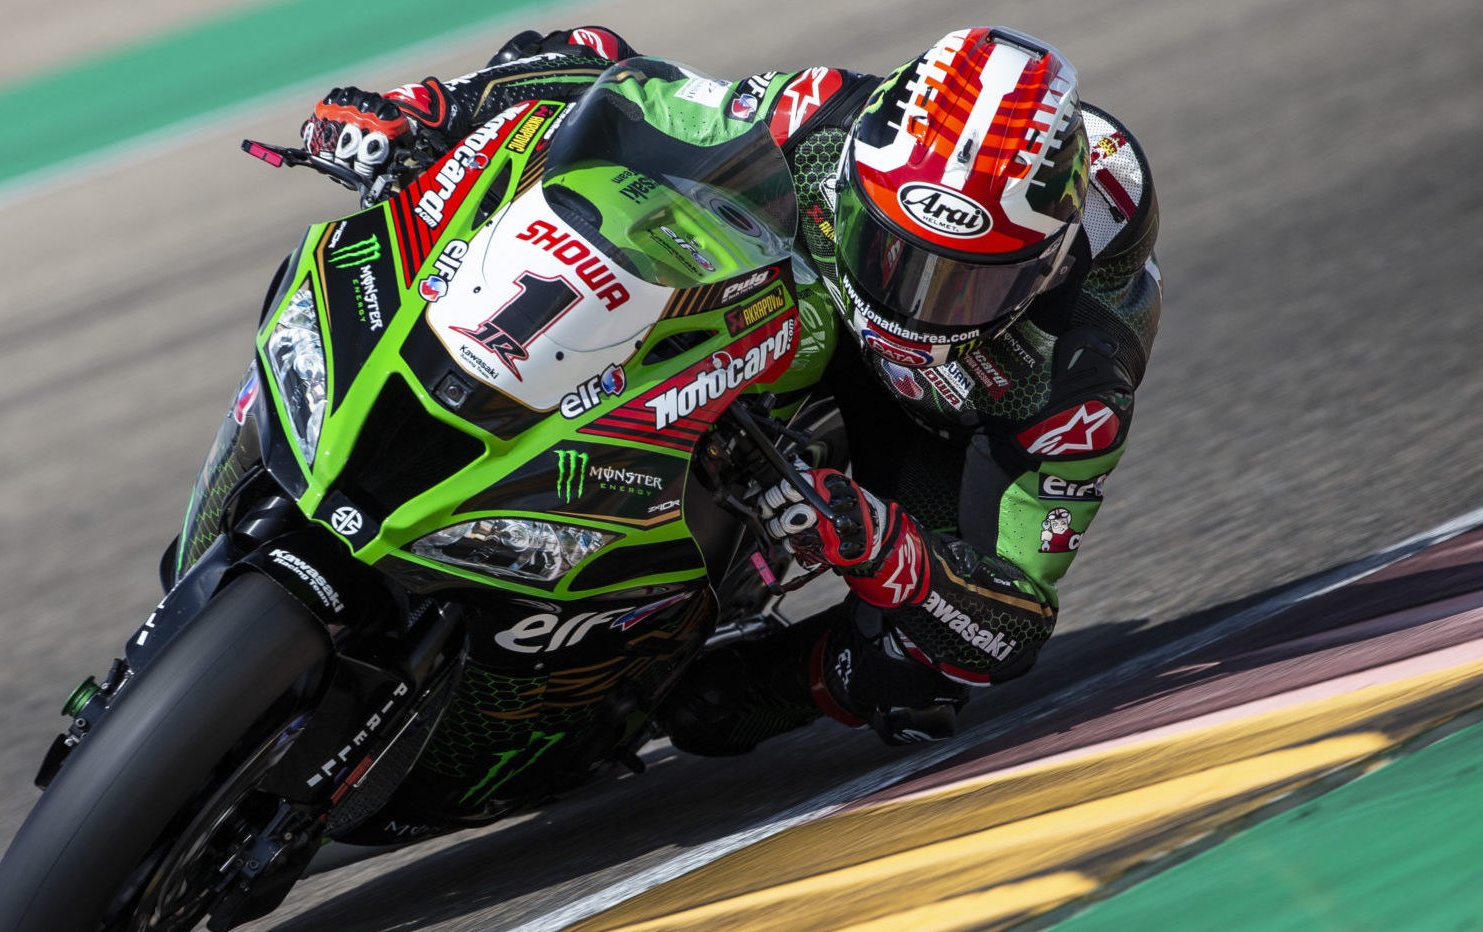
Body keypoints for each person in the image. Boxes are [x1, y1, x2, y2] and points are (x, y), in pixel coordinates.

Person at [297, 25, 1160, 748]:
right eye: (892, 250)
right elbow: (616, 79)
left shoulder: (1079, 364)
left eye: (964, 283)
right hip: (803, 302)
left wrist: (876, 543)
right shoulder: (825, 118)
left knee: (907, 667)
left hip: (938, 421)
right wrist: (438, 107)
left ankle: (720, 670)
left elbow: (1010, 617)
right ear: (861, 180)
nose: (914, 301)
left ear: (1043, 267)